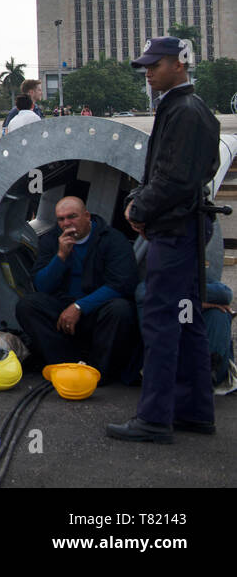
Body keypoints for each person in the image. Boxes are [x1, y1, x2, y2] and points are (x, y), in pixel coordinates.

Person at [107, 36, 219, 443]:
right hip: (180, 227)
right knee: (187, 320)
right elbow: (175, 171)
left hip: (175, 233)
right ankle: (194, 412)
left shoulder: (184, 110)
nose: (148, 71)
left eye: (156, 64)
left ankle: (154, 418)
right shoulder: (185, 107)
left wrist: (139, 209)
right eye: (147, 65)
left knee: (160, 322)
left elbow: (175, 178)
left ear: (179, 64)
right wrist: (142, 198)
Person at [16, 197, 138, 382]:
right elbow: (41, 285)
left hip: (98, 307)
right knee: (27, 306)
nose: (67, 224)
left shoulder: (112, 239)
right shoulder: (51, 240)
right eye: (61, 219)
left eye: (72, 217)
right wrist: (61, 257)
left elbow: (122, 283)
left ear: (86, 216)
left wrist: (80, 307)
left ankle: (98, 373)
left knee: (121, 309)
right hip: (63, 305)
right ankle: (67, 365)